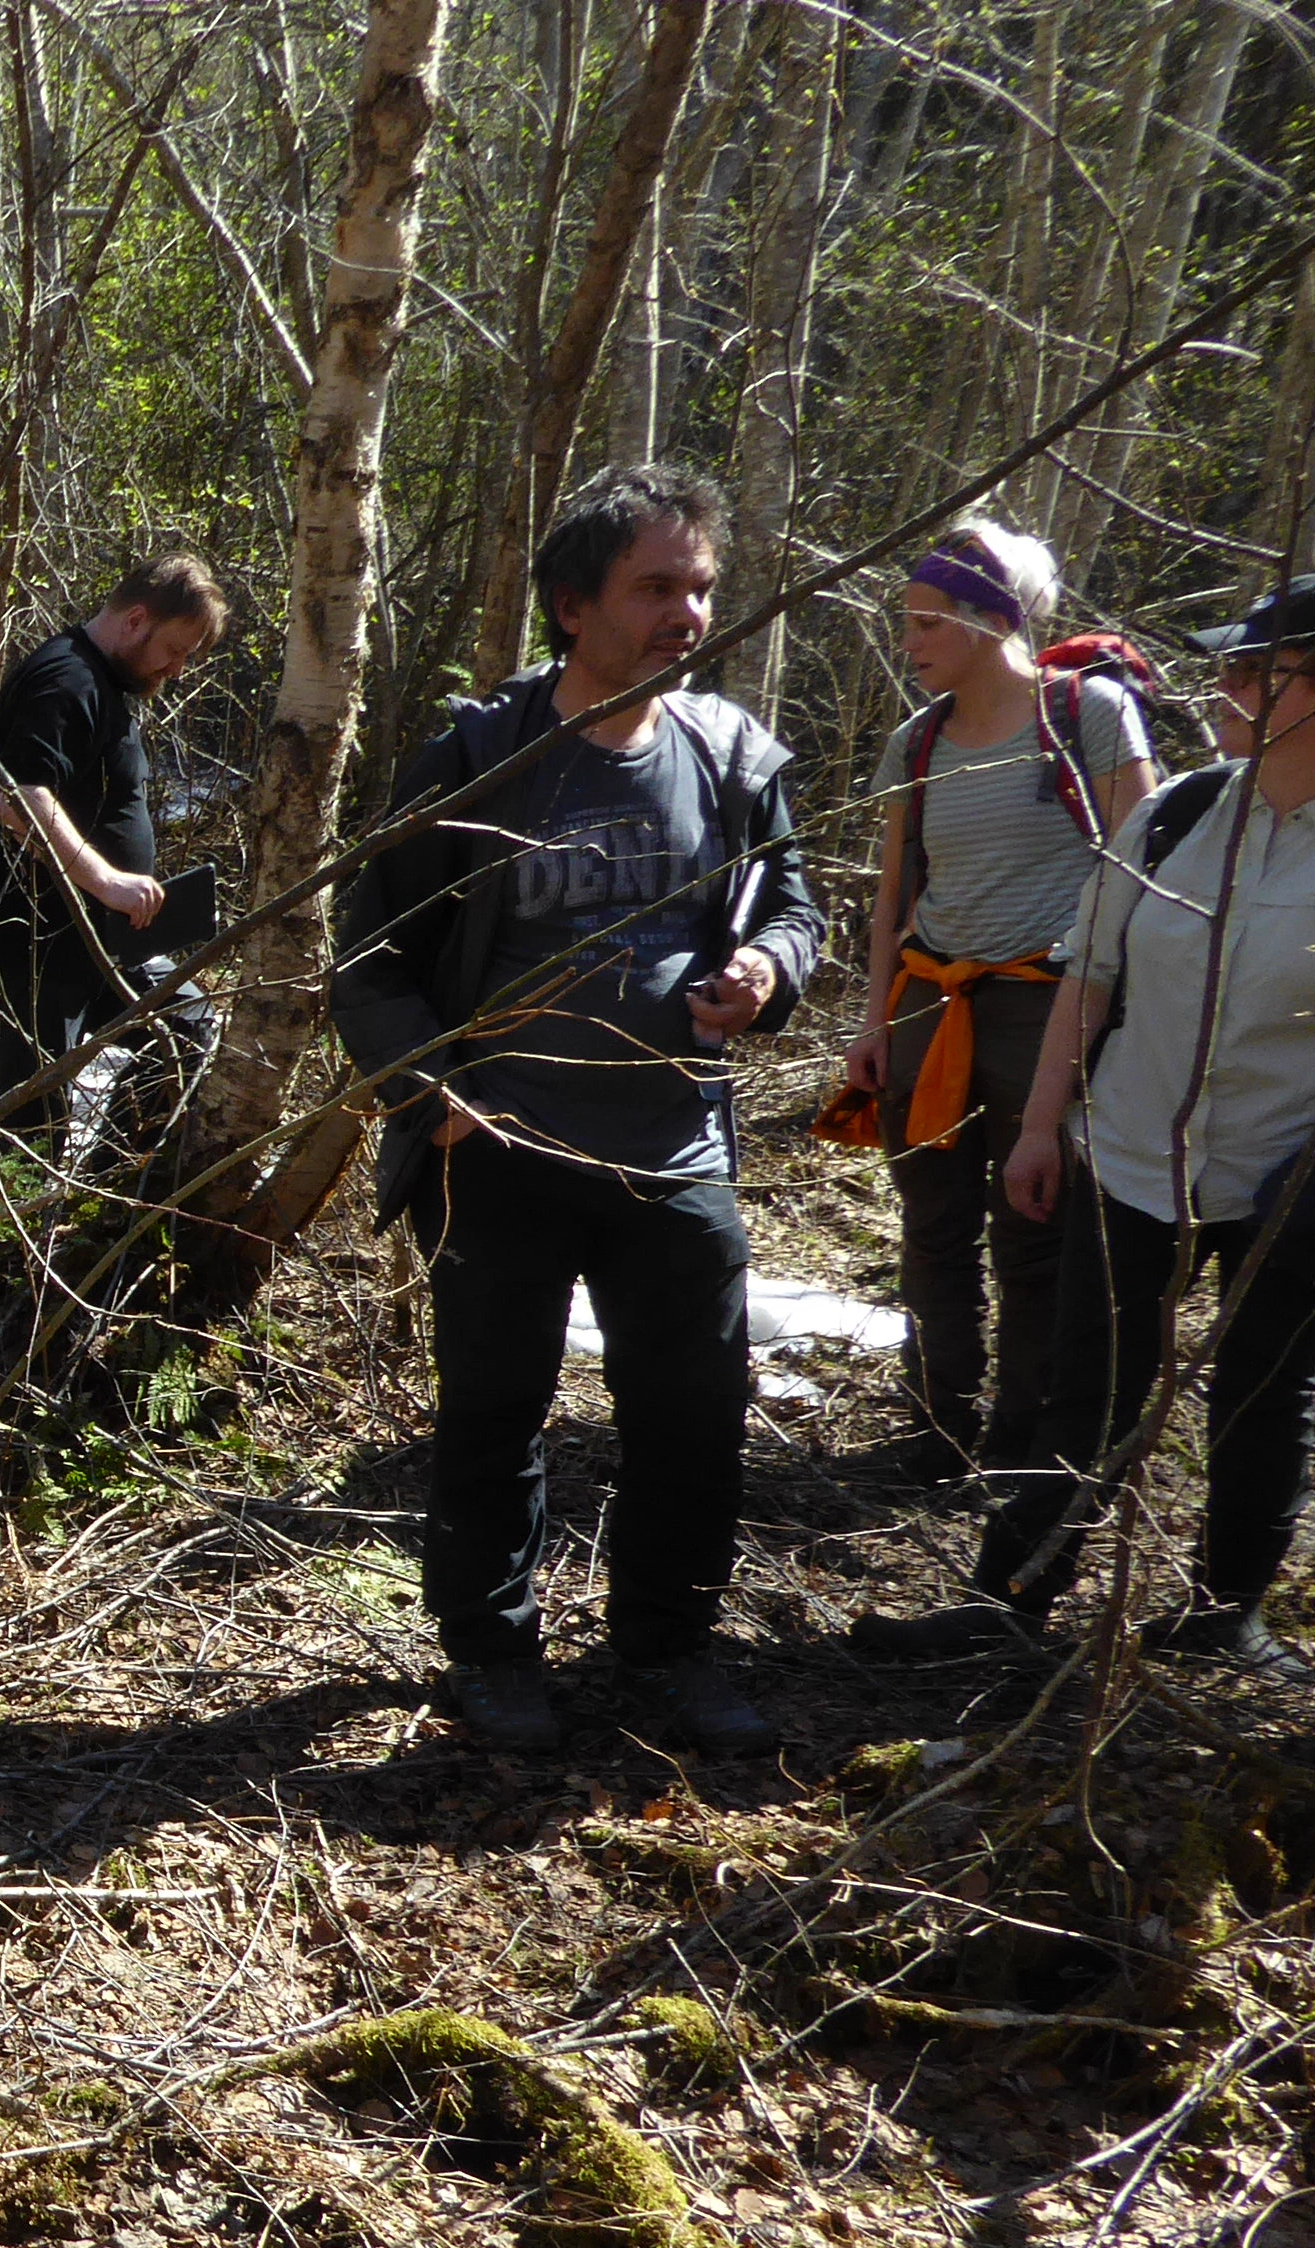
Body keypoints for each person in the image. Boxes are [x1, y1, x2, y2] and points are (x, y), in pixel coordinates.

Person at [327, 462, 828, 1758]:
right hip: (498, 1152)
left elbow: (793, 907)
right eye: (656, 588)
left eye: (701, 588)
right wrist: (424, 1088)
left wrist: (768, 969)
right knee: (495, 1417)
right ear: (570, 606)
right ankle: (493, 1657)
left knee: (695, 1418)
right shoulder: (486, 761)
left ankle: (669, 1652)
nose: (688, 614)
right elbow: (367, 948)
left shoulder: (729, 759)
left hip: (674, 1154)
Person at [855, 574, 1315, 1678]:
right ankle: (1006, 1601)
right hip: (1129, 1158)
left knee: (1261, 1395)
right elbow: (1091, 978)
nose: (1227, 687)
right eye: (1230, 666)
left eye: (1258, 672)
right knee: (1085, 1387)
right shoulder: (1178, 815)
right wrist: (1038, 1129)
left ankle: (1222, 1620)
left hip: (1284, 1181)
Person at [837, 521, 1157, 1484]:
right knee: (930, 1224)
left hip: (1046, 1006)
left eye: (926, 620)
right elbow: (894, 894)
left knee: (1033, 1229)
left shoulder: (1088, 715)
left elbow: (1147, 865)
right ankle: (937, 1424)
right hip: (930, 1002)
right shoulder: (917, 740)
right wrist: (872, 1021)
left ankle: (1023, 1442)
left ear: (988, 619)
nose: (911, 641)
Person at [0, 555, 229, 1153]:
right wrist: (107, 882)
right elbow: (18, 801)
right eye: (173, 649)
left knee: (184, 1029)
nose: (176, 669)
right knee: (35, 1105)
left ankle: (102, 1192)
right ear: (137, 619)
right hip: (22, 937)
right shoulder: (65, 679)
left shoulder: (108, 684)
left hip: (95, 937)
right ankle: (13, 1240)